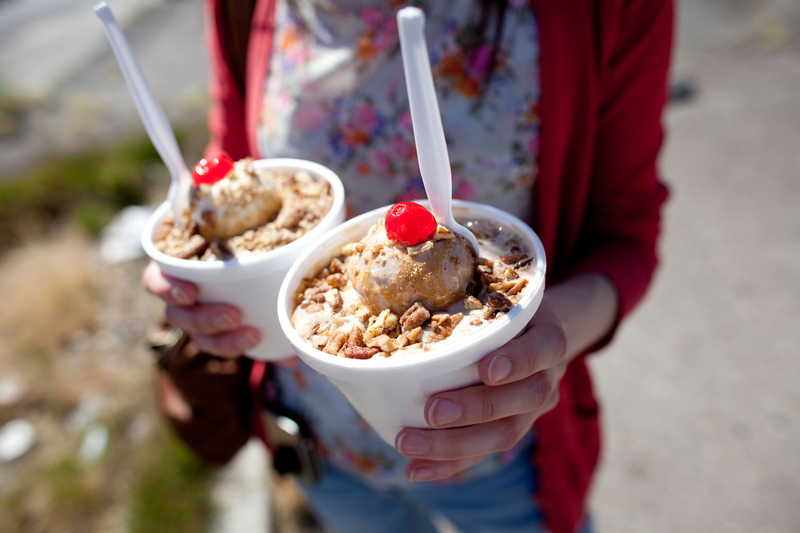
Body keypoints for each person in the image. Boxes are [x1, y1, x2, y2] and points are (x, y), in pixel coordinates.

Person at [142, 0, 672, 532]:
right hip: (321, 443)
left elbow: (625, 235)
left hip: (503, 457)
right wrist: (205, 279)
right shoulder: (242, 7)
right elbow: (243, 161)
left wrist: (551, 338)